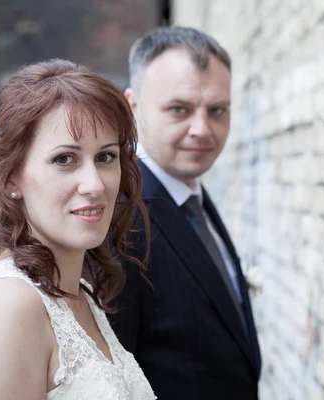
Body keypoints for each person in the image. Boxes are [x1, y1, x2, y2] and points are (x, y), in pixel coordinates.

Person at [0, 59, 156, 400]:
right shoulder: (5, 309)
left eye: (105, 157)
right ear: (11, 177)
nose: (94, 185)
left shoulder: (82, 292)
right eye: (64, 159)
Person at [108, 26, 262, 399]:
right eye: (179, 109)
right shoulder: (120, 220)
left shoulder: (194, 196)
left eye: (217, 110)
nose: (202, 129)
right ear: (133, 107)